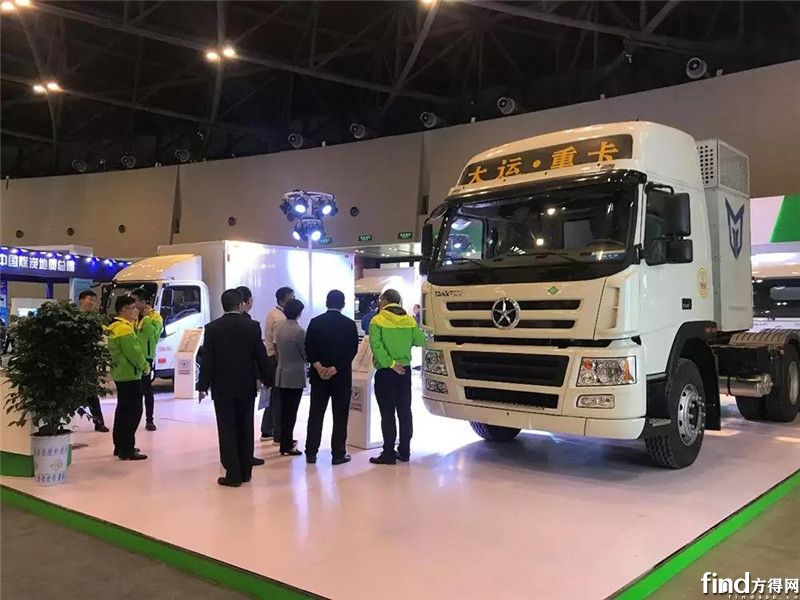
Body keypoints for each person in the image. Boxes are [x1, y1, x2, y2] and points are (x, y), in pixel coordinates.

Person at [198, 289, 270, 487]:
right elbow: (261, 355)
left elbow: (208, 359)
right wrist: (268, 379)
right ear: (240, 305)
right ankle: (246, 472)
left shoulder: (212, 328)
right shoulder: (252, 326)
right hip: (246, 385)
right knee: (246, 426)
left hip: (222, 387)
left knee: (227, 429)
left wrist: (202, 386)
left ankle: (233, 474)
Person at [368, 289, 425, 465]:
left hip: (386, 372)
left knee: (387, 414)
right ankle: (405, 451)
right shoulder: (409, 320)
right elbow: (420, 341)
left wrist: (391, 364)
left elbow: (376, 346)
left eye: (380, 299)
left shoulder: (377, 320)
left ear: (385, 300)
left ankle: (388, 453)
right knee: (405, 412)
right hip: (405, 372)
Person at [304, 290, 359, 465]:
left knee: (316, 414)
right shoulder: (349, 324)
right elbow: (352, 350)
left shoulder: (315, 322)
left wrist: (319, 367)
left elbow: (308, 347)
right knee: (340, 415)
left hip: (319, 377)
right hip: (341, 377)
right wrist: (336, 368)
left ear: (326, 302)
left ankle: (311, 452)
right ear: (343, 304)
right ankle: (338, 454)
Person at [107, 296, 150, 460]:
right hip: (130, 376)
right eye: (133, 307)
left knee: (122, 412)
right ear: (123, 310)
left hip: (120, 375)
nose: (136, 310)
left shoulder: (114, 327)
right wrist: (145, 366)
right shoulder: (124, 329)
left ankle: (120, 445)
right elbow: (134, 352)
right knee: (133, 413)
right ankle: (127, 449)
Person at [236, 285, 266, 466]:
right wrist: (262, 377)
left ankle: (233, 456)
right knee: (246, 420)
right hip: (247, 379)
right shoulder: (251, 324)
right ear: (245, 302)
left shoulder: (219, 325)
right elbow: (257, 354)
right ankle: (247, 455)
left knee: (231, 422)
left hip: (227, 382)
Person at [261, 286, 295, 446]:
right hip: (276, 360)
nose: (293, 301)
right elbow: (277, 345)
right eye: (291, 299)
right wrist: (283, 365)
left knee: (273, 396)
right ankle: (279, 435)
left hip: (271, 359)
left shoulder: (273, 312)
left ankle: (267, 429)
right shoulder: (280, 318)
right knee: (279, 398)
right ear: (282, 300)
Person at [273, 299, 306, 458]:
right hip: (295, 375)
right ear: (299, 313)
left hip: (281, 373)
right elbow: (305, 354)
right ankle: (286, 444)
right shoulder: (299, 331)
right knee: (291, 411)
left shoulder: (279, 328)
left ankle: (284, 441)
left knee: (284, 410)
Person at [76, 290, 109, 432]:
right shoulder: (73, 318)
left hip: (89, 361)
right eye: (90, 299)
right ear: (81, 300)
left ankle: (99, 422)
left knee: (91, 392)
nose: (92, 303)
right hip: (74, 360)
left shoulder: (95, 321)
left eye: (94, 300)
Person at [131, 289, 163, 432]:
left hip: (146, 357)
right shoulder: (133, 315)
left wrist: (146, 318)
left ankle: (149, 420)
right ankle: (133, 419)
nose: (133, 304)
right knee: (135, 390)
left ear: (143, 301)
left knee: (146, 389)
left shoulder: (155, 316)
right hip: (133, 356)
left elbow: (152, 334)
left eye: (135, 300)